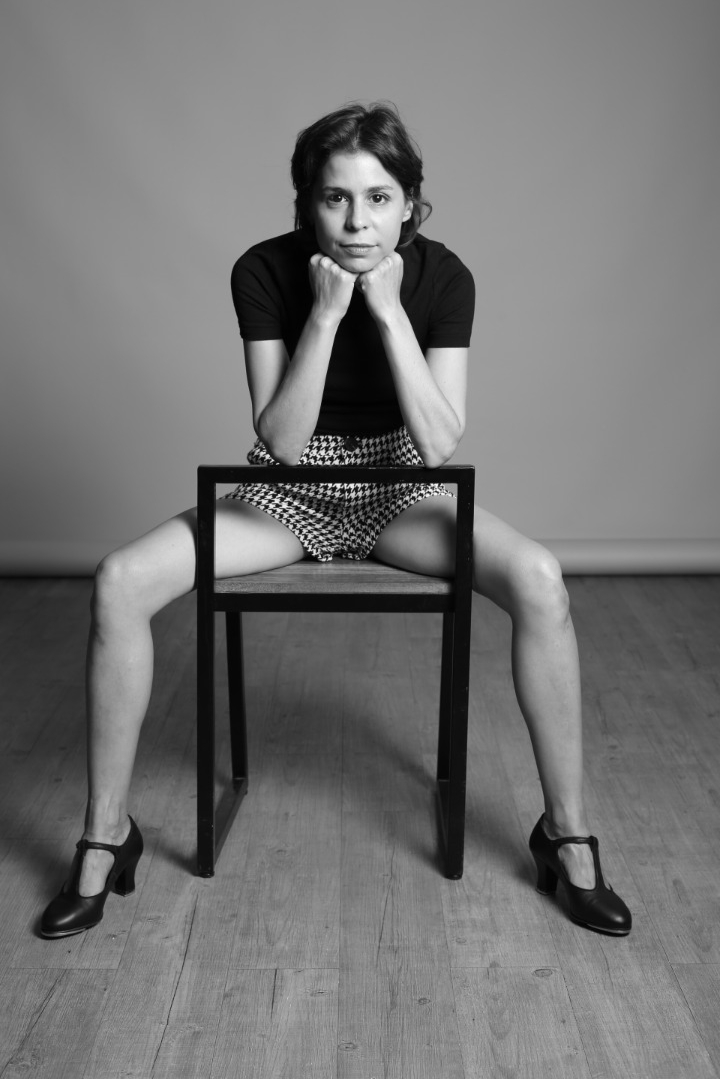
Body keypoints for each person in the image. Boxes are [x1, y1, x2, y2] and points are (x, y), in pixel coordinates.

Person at [41, 102, 631, 939]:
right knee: (119, 581)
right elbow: (280, 442)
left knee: (540, 579)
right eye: (336, 198)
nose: (358, 222)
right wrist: (325, 313)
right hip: (290, 492)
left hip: (402, 490)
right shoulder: (263, 270)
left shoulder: (444, 278)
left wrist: (386, 311)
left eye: (380, 199)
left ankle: (567, 837)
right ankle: (106, 837)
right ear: (306, 205)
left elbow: (438, 442)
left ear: (410, 203)